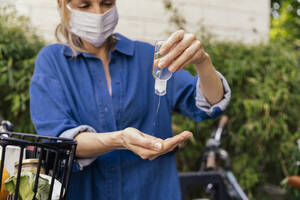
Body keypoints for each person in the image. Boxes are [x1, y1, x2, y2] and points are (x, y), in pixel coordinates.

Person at [29, 0, 231, 199]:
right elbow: (59, 140)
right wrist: (120, 140)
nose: (98, 13)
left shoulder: (147, 57)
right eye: (85, 5)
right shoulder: (52, 63)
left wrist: (203, 62)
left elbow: (208, 103)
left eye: (106, 3)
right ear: (62, 4)